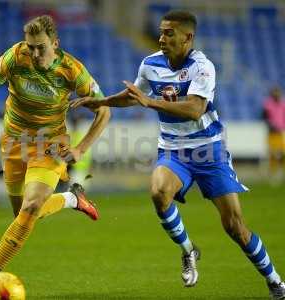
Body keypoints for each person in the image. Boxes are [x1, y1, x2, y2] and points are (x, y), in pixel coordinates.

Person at [71, 10, 285, 299]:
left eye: (169, 33)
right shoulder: (150, 64)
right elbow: (134, 96)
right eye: (161, 32)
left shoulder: (203, 67)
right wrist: (100, 102)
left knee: (235, 228)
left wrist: (150, 102)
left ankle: (274, 281)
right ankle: (188, 250)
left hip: (209, 151)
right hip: (174, 150)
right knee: (159, 193)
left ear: (188, 37)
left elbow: (196, 108)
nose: (161, 38)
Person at [0, 15, 110, 298]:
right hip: (13, 144)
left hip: (49, 146)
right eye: (31, 47)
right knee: (22, 215)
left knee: (31, 207)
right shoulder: (14, 57)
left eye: (41, 47)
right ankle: (72, 199)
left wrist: (81, 148)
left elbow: (104, 110)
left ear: (56, 44)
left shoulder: (73, 70)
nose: (35, 53)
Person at [263, 86, 285, 181]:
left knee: (282, 153)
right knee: (273, 154)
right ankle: (272, 174)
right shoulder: (268, 104)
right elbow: (265, 117)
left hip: (280, 133)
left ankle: (281, 173)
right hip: (272, 133)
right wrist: (271, 125)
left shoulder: (282, 104)